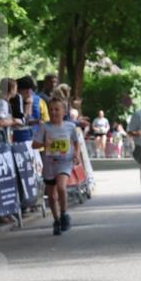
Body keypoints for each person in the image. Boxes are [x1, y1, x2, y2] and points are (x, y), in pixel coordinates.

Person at [34, 95, 81, 235]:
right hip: (49, 163)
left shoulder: (70, 126)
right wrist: (44, 144)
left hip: (64, 162)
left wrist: (76, 154)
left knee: (61, 187)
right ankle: (56, 220)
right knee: (52, 195)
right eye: (51, 110)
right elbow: (34, 144)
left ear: (64, 111)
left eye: (57, 109)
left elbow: (76, 142)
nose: (54, 112)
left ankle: (64, 214)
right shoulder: (44, 127)